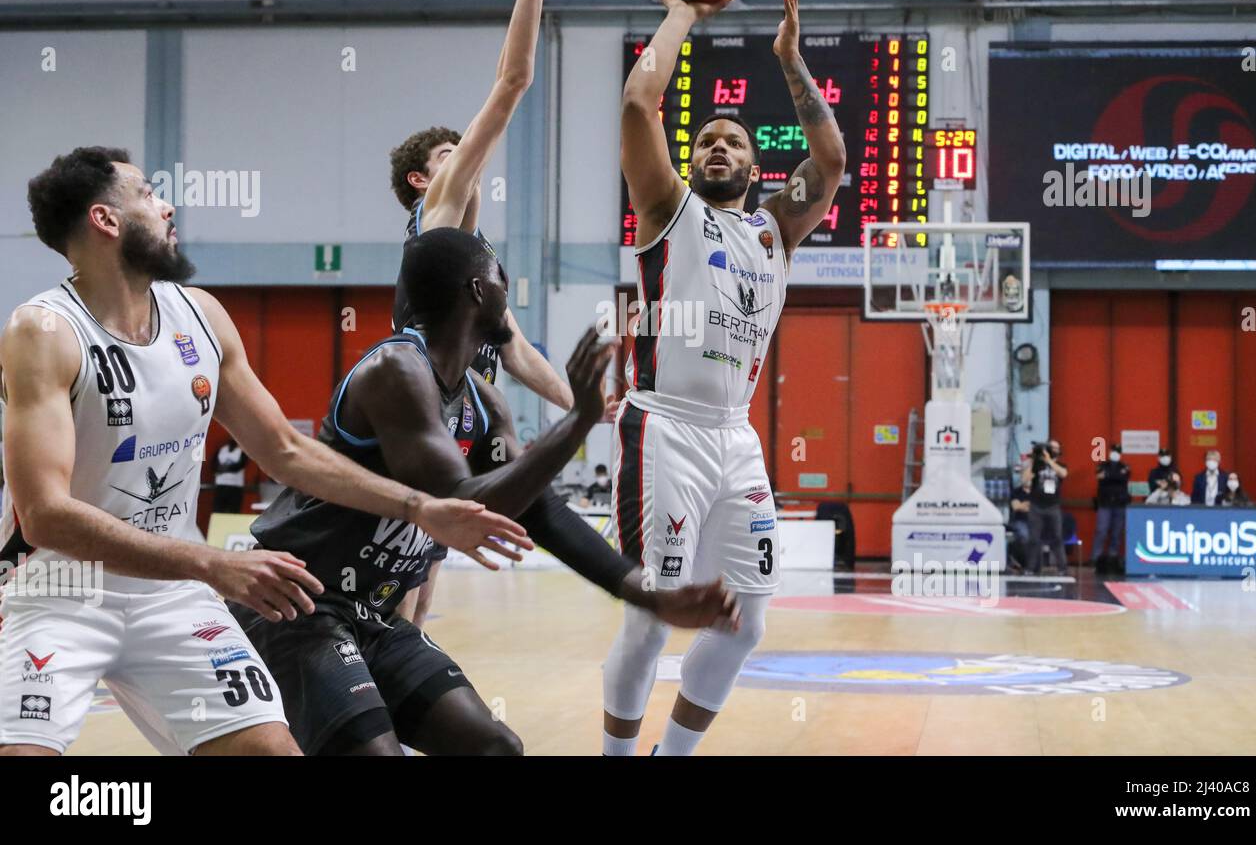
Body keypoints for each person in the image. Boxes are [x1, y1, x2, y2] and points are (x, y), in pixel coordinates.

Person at [0, 148, 523, 758]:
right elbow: (44, 515)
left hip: (170, 593)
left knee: (273, 752)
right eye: (146, 195)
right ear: (106, 221)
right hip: (67, 591)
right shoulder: (44, 331)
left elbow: (284, 450)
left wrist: (419, 508)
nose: (168, 205)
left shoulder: (201, 315)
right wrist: (210, 564)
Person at [229, 229, 738, 755]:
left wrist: (647, 594)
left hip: (372, 615)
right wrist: (578, 421)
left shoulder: (484, 401)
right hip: (295, 606)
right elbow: (462, 502)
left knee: (495, 747)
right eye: (501, 281)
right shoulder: (397, 370)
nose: (509, 296)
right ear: (477, 290)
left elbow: (538, 509)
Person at [603, 0, 846, 756]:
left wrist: (789, 59)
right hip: (663, 426)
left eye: (733, 141)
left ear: (753, 165)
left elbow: (833, 156)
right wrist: (682, 11)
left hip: (734, 438)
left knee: (746, 621)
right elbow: (641, 107)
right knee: (651, 616)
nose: (717, 146)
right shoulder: (668, 209)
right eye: (706, 138)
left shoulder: (776, 229)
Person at [387, 0, 580, 626]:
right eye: (450, 153)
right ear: (421, 179)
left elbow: (519, 352)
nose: (466, 156)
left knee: (420, 587)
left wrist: (594, 411)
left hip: (460, 409)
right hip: (425, 407)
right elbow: (513, 82)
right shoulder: (432, 218)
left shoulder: (474, 257)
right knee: (400, 586)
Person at [1025, 439, 1068, 575]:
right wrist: (1033, 461)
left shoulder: (1060, 464)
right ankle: (1031, 568)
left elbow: (1064, 474)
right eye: (1050, 447)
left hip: (1053, 506)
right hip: (1036, 506)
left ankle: (1062, 568)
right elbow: (1024, 479)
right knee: (1034, 538)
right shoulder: (1037, 465)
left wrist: (1049, 461)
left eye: (1055, 448)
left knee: (1057, 537)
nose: (1052, 450)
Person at [1092, 442, 1130, 573]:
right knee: (1101, 531)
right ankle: (1096, 559)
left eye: (1118, 451)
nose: (1116, 453)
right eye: (1114, 451)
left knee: (1116, 533)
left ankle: (1112, 559)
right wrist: (1115, 476)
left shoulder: (1124, 466)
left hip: (1120, 504)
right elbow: (1099, 476)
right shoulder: (1103, 465)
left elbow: (1123, 477)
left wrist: (1109, 476)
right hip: (1105, 503)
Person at [212, 437, 249, 514]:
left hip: (235, 485)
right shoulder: (222, 450)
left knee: (234, 510)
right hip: (221, 484)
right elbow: (213, 464)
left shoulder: (242, 451)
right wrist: (218, 469)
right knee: (218, 510)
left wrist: (225, 469)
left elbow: (240, 465)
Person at [1007, 467, 1032, 572]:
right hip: (1019, 521)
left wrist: (1025, 505)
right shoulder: (1016, 492)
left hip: (1036, 521)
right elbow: (1016, 507)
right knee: (1024, 534)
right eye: (1024, 475)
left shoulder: (1038, 492)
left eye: (1029, 475)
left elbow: (1038, 507)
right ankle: (1026, 565)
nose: (1027, 478)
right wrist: (1028, 505)